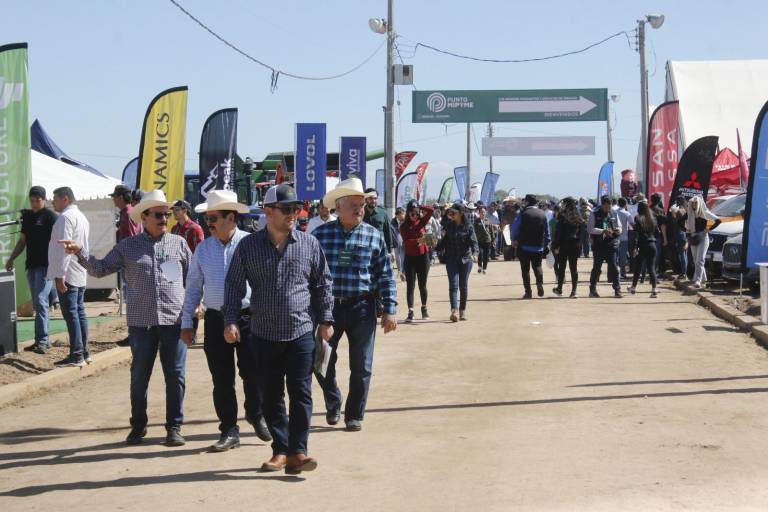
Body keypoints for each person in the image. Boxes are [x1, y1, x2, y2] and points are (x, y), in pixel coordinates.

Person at [61, 190, 191, 446]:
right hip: (141, 325)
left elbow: (194, 278)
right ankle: (138, 426)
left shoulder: (178, 244)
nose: (164, 218)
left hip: (173, 322)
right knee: (139, 376)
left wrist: (195, 306)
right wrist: (80, 252)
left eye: (166, 214)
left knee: (175, 376)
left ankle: (174, 428)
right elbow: (100, 270)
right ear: (144, 217)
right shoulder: (128, 247)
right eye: (158, 214)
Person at [223, 184, 333, 474]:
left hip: (300, 332)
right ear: (268, 212)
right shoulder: (248, 247)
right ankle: (281, 450)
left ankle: (298, 451)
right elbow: (233, 285)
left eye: (295, 209)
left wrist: (326, 319)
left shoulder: (309, 244)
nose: (293, 214)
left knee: (301, 392)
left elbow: (323, 283)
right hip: (263, 334)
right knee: (271, 396)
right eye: (286, 209)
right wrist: (231, 320)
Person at [180, 190, 271, 453]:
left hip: (248, 318)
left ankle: (255, 414)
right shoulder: (203, 249)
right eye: (207, 218)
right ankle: (229, 429)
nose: (208, 223)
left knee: (253, 374)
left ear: (231, 218)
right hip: (216, 318)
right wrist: (187, 322)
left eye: (213, 217)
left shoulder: (251, 243)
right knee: (222, 378)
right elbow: (194, 287)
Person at [313, 178, 397, 432]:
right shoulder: (320, 236)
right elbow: (309, 274)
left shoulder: (373, 236)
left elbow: (385, 274)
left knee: (362, 365)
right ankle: (333, 399)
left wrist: (390, 308)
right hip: (329, 309)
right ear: (339, 206)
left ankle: (354, 414)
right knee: (320, 361)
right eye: (355, 205)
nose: (361, 209)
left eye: (362, 205)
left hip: (362, 308)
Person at [5, 186, 58, 354]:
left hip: (47, 266)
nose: (35, 203)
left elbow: (59, 242)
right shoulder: (27, 217)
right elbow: (22, 241)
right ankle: (40, 340)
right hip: (31, 266)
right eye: (32, 200)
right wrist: (12, 258)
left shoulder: (51, 217)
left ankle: (43, 340)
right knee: (38, 302)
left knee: (41, 302)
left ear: (45, 199)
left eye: (38, 200)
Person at [47, 187, 90, 367]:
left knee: (72, 314)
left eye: (55, 199)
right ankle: (84, 353)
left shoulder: (65, 217)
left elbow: (66, 248)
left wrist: (61, 275)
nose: (52, 202)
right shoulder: (81, 216)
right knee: (79, 312)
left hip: (69, 272)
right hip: (79, 270)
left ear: (65, 199)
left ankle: (77, 355)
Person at [435, 202, 478, 321]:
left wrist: (475, 254)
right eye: (451, 212)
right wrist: (432, 244)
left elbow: (474, 243)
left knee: (463, 286)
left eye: (454, 212)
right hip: (451, 259)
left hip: (465, 260)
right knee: (453, 285)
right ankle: (454, 310)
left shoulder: (468, 227)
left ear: (461, 213)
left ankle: (462, 310)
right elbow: (443, 243)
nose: (451, 213)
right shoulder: (449, 226)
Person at [400, 200, 434, 322]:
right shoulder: (404, 226)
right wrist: (418, 241)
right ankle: (411, 312)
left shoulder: (422, 222)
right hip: (410, 258)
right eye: (412, 213)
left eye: (416, 213)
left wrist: (419, 206)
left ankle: (424, 308)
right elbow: (406, 242)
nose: (414, 216)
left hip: (423, 257)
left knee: (422, 285)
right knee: (410, 285)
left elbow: (431, 211)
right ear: (408, 214)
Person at [511, 194, 550, 299]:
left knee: (525, 270)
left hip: (524, 246)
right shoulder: (542, 214)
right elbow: (547, 232)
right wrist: (545, 243)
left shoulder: (522, 213)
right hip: (538, 246)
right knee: (537, 266)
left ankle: (528, 292)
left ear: (527, 202)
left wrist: (514, 240)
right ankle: (539, 283)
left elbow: (515, 227)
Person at [588, 196, 623, 298]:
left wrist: (618, 230)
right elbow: (590, 229)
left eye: (610, 206)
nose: (608, 209)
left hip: (611, 244)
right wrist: (602, 231)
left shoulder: (613, 213)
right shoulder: (594, 213)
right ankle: (592, 290)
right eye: (606, 207)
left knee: (614, 268)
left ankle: (617, 290)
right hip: (599, 246)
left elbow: (620, 227)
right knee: (596, 268)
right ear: (602, 204)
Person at [686, 195, 721, 288]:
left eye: (696, 203)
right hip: (693, 237)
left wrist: (708, 229)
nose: (694, 205)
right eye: (692, 203)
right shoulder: (690, 213)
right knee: (695, 260)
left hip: (703, 237)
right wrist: (688, 237)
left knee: (700, 260)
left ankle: (698, 280)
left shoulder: (704, 212)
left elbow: (718, 220)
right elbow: (686, 226)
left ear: (699, 203)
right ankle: (703, 279)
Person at [552, 197, 583, 298]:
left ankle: (560, 289)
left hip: (564, 244)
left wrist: (555, 245)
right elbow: (582, 231)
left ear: (566, 204)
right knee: (573, 268)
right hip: (575, 244)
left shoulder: (563, 215)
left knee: (562, 268)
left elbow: (559, 231)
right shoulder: (578, 215)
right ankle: (574, 291)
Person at [628, 201, 660, 297]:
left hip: (642, 245)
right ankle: (654, 290)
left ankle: (633, 288)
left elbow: (636, 235)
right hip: (652, 245)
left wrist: (635, 247)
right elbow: (657, 233)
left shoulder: (637, 218)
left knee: (638, 267)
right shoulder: (653, 218)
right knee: (651, 268)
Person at [363, 187, 394, 256]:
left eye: (375, 198)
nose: (373, 200)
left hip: (380, 249)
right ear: (366, 199)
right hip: (364, 249)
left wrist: (391, 251)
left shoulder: (383, 213)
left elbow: (387, 232)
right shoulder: (360, 213)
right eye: (371, 198)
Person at [669, 197, 689, 279]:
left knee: (682, 254)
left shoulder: (678, 211)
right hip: (684, 233)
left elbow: (673, 215)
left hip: (680, 233)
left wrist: (673, 209)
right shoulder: (685, 210)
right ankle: (684, 272)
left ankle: (683, 273)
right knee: (684, 254)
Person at [474, 206, 494, 275]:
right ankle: (480, 266)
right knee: (480, 254)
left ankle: (484, 268)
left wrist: (493, 239)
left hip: (487, 240)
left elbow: (491, 231)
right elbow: (474, 231)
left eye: (484, 212)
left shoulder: (488, 221)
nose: (483, 213)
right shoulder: (476, 221)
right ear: (479, 213)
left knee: (486, 255)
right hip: (479, 240)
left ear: (485, 213)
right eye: (481, 212)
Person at [616, 198, 632, 279]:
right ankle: (622, 272)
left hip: (615, 237)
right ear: (625, 204)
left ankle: (614, 272)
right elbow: (632, 224)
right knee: (623, 256)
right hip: (625, 237)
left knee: (615, 255)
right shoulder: (627, 213)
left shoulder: (614, 212)